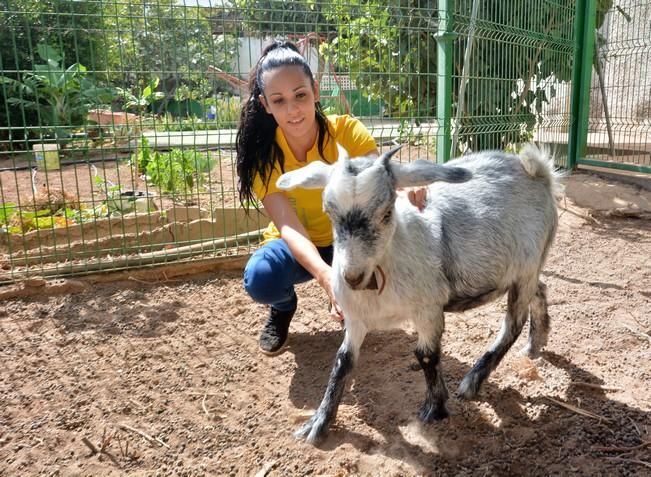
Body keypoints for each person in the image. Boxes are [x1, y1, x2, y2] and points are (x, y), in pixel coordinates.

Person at [236, 40, 425, 355]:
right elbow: (289, 227)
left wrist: (407, 189)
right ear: (265, 105)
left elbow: (380, 181)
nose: (293, 110)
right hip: (298, 246)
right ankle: (282, 308)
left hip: (348, 239)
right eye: (279, 101)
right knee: (260, 278)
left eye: (300, 95)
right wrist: (327, 277)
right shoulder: (264, 158)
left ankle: (355, 304)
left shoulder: (348, 132)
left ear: (316, 91)